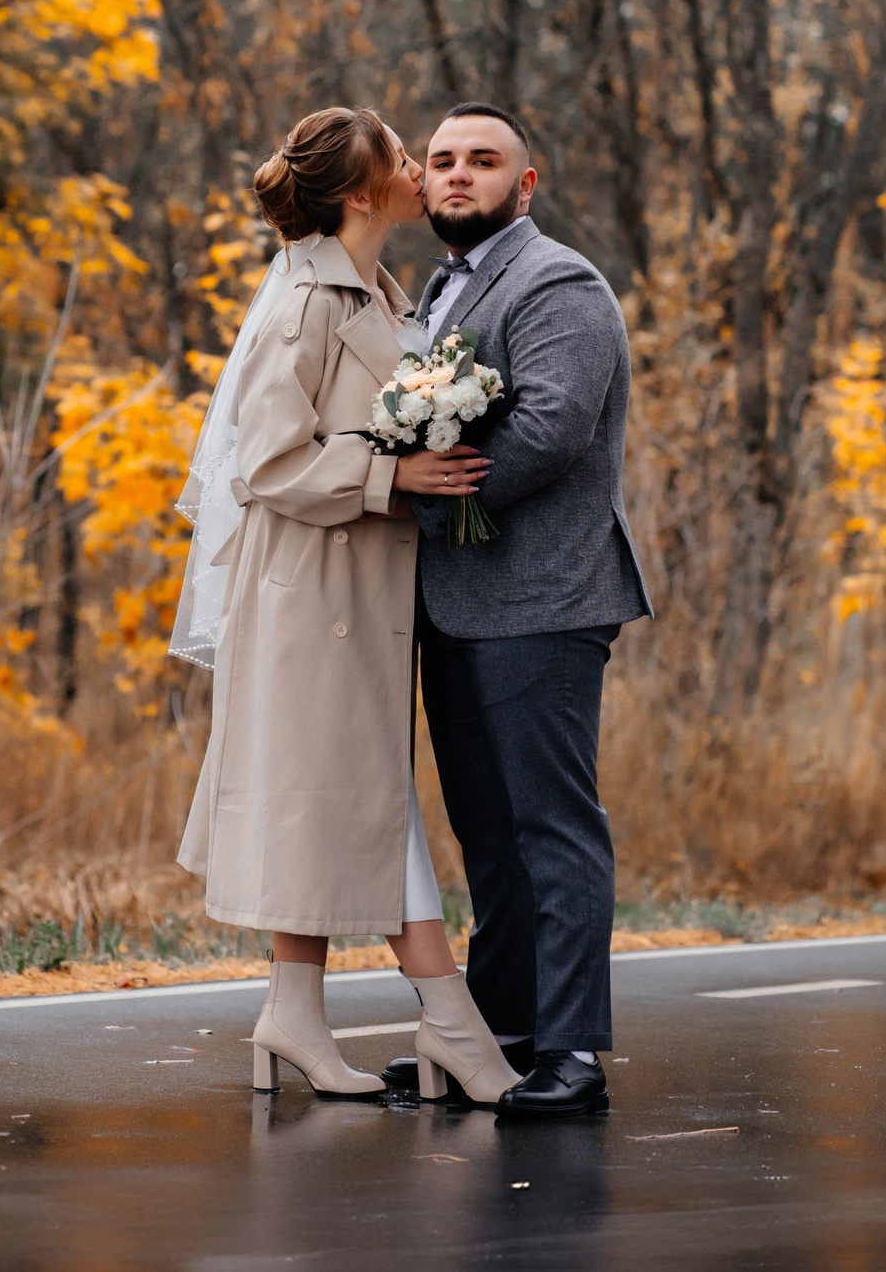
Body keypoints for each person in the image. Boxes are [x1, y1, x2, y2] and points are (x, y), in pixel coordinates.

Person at [170, 105, 521, 1108]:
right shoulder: (303, 303)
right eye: (409, 160)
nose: (425, 171)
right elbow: (269, 463)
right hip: (306, 596)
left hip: (354, 590)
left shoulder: (370, 283)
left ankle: (294, 1014)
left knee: (336, 805)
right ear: (366, 192)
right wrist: (398, 478)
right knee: (364, 803)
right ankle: (452, 1022)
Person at [384, 101, 653, 1118]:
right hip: (454, 604)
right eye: (443, 161)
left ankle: (574, 1054)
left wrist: (419, 481)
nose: (456, 176)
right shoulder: (438, 294)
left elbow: (550, 428)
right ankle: (497, 1044)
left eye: (482, 162)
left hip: (544, 600)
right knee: (487, 839)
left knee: (552, 830)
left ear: (523, 185)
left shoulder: (558, 282)